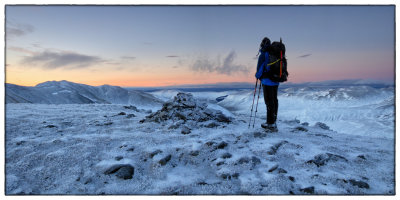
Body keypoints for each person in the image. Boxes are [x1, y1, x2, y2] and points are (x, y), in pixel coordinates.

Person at [255, 37, 279, 131]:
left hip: (267, 80)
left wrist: (257, 76)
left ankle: (270, 123)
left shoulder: (264, 54)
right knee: (274, 100)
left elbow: (259, 69)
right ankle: (273, 121)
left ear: (262, 44)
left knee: (269, 102)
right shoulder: (276, 53)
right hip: (276, 80)